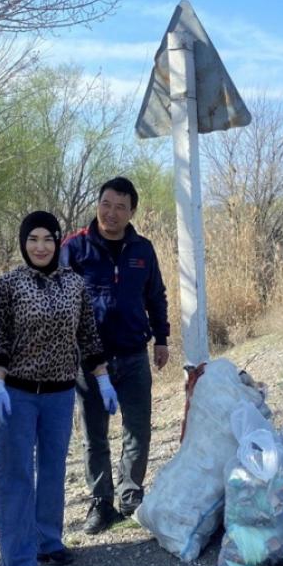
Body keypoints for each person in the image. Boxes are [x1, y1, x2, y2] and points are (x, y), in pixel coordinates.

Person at [0, 211, 111, 566]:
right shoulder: (7, 285)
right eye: (32, 239)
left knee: (53, 470)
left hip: (59, 393)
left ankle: (48, 541)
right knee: (16, 476)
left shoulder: (75, 284)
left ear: (58, 242)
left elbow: (88, 336)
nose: (40, 246)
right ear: (23, 243)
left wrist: (103, 381)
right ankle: (19, 562)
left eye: (47, 239)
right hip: (18, 394)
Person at [61, 177, 170, 534]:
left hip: (134, 353)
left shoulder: (143, 249)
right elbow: (61, 301)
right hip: (91, 362)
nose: (112, 213)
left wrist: (162, 338)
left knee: (137, 429)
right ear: (97, 205)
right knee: (94, 434)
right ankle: (100, 502)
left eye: (120, 207)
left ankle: (130, 493)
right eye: (106, 204)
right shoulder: (75, 248)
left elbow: (156, 295)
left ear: (131, 211)